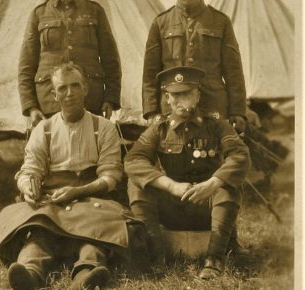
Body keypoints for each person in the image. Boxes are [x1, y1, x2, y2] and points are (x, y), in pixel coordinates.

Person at [0, 63, 145, 290]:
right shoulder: (43, 129)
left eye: (75, 86)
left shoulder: (103, 128)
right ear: (54, 95)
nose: (70, 93)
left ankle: (85, 277)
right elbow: (29, 169)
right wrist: (28, 188)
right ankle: (29, 275)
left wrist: (79, 191)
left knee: (94, 235)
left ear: (86, 89)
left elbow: (111, 175)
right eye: (62, 88)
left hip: (93, 199)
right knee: (39, 233)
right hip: (53, 200)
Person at [125, 66, 250, 279]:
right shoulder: (160, 129)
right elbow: (133, 159)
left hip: (208, 208)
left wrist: (212, 183)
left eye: (188, 93)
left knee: (228, 186)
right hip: (172, 205)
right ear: (167, 98)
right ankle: (157, 258)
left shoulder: (216, 125)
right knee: (136, 186)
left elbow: (239, 155)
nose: (182, 100)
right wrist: (170, 185)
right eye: (176, 94)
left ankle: (214, 260)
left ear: (198, 95)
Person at [142, 0, 246, 133]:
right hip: (172, 108)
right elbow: (149, 75)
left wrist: (237, 111)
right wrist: (151, 112)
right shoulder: (161, 23)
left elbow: (234, 72)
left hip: (211, 107)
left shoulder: (221, 21)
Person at [19, 0, 121, 126]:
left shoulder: (95, 11)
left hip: (90, 100)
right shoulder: (39, 13)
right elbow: (26, 66)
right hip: (49, 103)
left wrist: (110, 99)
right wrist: (31, 107)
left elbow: (111, 60)